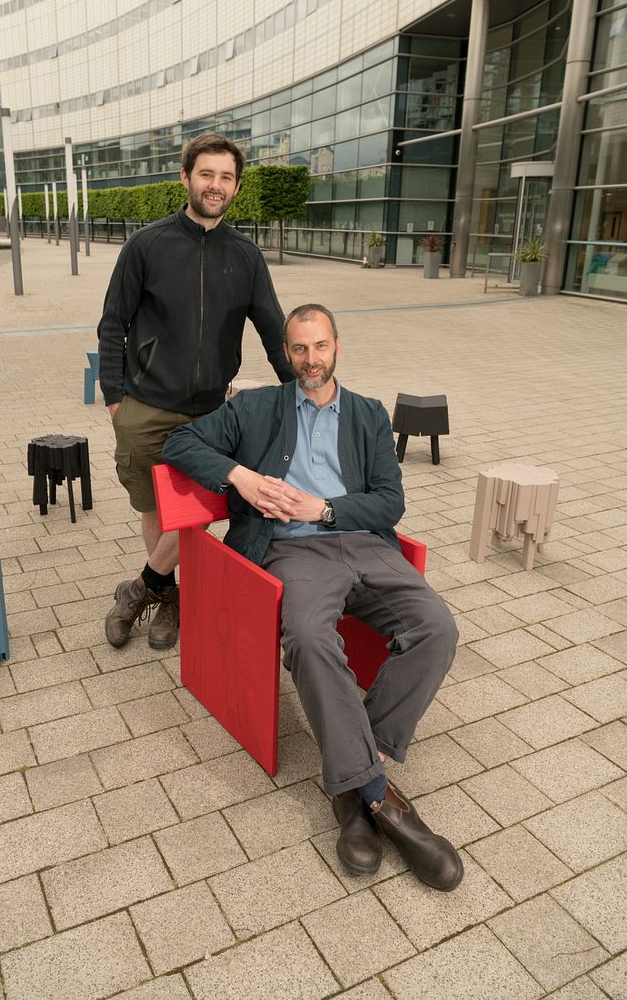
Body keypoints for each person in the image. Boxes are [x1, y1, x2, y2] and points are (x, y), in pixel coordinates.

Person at [162, 303, 463, 889]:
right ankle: (380, 796)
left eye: (319, 347)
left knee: (438, 629)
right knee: (304, 636)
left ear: (336, 346)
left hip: (365, 545)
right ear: (287, 352)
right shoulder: (255, 407)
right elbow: (179, 443)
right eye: (299, 349)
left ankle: (352, 780)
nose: (310, 361)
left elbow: (390, 502)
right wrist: (240, 477)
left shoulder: (370, 415)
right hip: (293, 553)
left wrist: (323, 508)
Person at [98, 132, 293, 653]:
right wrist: (116, 401)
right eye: (206, 174)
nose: (216, 185)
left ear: (235, 186)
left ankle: (140, 588)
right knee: (155, 510)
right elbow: (112, 324)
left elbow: (274, 330)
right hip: (144, 404)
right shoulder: (147, 245)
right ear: (186, 177)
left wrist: (304, 393)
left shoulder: (247, 257)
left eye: (226, 177)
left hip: (211, 413)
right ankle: (170, 600)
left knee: (204, 507)